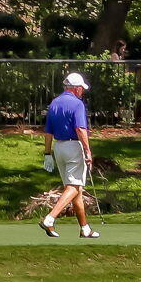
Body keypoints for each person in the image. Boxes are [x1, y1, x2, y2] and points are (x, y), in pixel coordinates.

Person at [39, 72, 98, 239]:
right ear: (77, 88)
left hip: (58, 148)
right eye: (81, 89)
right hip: (73, 147)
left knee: (75, 190)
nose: (82, 92)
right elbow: (80, 129)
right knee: (73, 187)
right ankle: (50, 219)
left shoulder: (54, 103)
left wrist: (47, 153)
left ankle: (85, 228)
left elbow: (48, 132)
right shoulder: (77, 104)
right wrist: (87, 151)